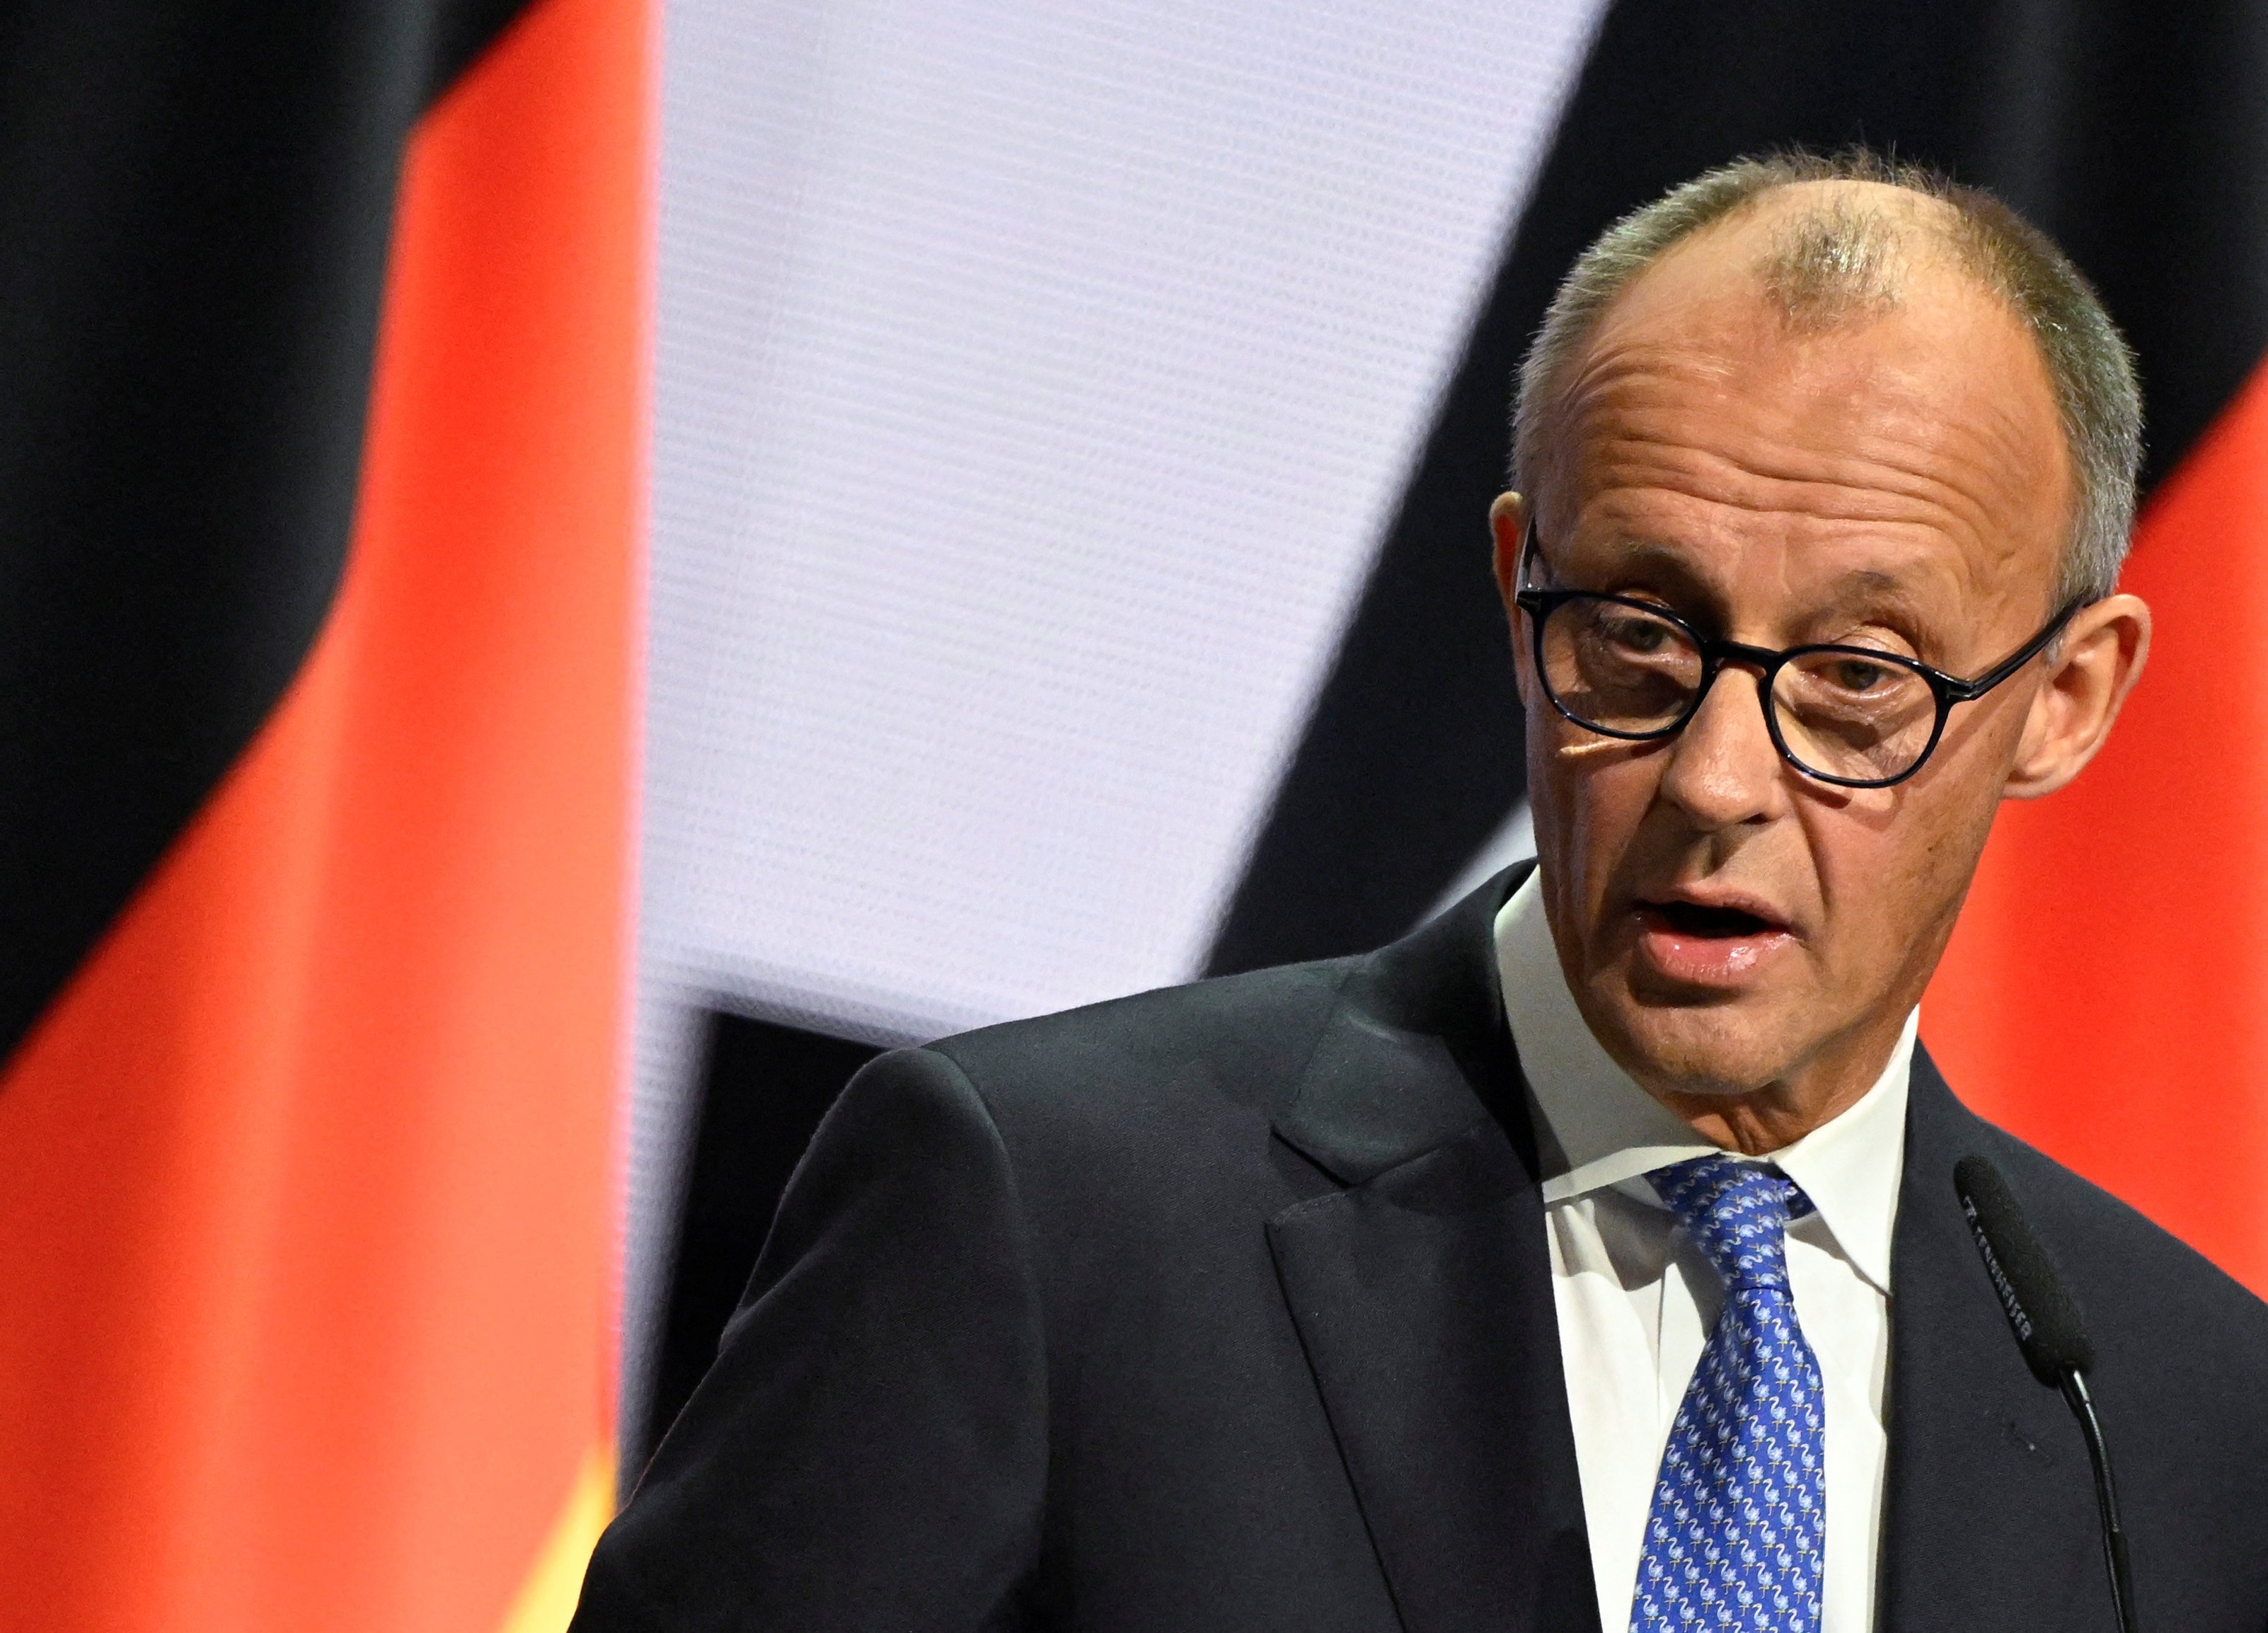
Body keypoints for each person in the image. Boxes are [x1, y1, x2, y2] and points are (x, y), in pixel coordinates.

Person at [570, 151, 2268, 1632]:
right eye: (1637, 631)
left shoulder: (2190, 1418)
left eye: (1854, 677)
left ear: (2066, 696)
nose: (1713, 776)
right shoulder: (1041, 1217)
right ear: (1517, 581)